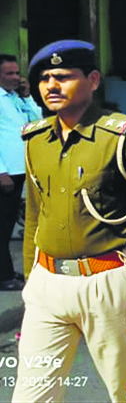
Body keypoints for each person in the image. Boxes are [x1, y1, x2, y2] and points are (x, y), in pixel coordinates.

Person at [14, 40, 126, 403]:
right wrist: (32, 277)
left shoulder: (123, 136)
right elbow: (35, 214)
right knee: (31, 395)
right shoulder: (36, 139)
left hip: (108, 281)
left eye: (63, 77)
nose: (51, 85)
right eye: (45, 78)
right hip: (47, 283)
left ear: (93, 80)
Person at [0, 54, 41, 291]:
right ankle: (4, 277)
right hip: (5, 172)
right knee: (2, 227)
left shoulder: (15, 98)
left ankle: (5, 270)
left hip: (19, 170)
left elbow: (37, 122)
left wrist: (27, 96)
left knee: (7, 225)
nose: (16, 77)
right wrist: (1, 172)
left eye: (17, 73)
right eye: (10, 73)